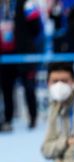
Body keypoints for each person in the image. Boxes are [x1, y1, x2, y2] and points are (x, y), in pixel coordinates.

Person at [0, 0, 42, 131]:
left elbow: (36, 29)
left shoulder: (26, 4)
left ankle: (33, 118)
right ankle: (8, 120)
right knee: (6, 89)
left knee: (29, 87)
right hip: (4, 56)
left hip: (24, 54)